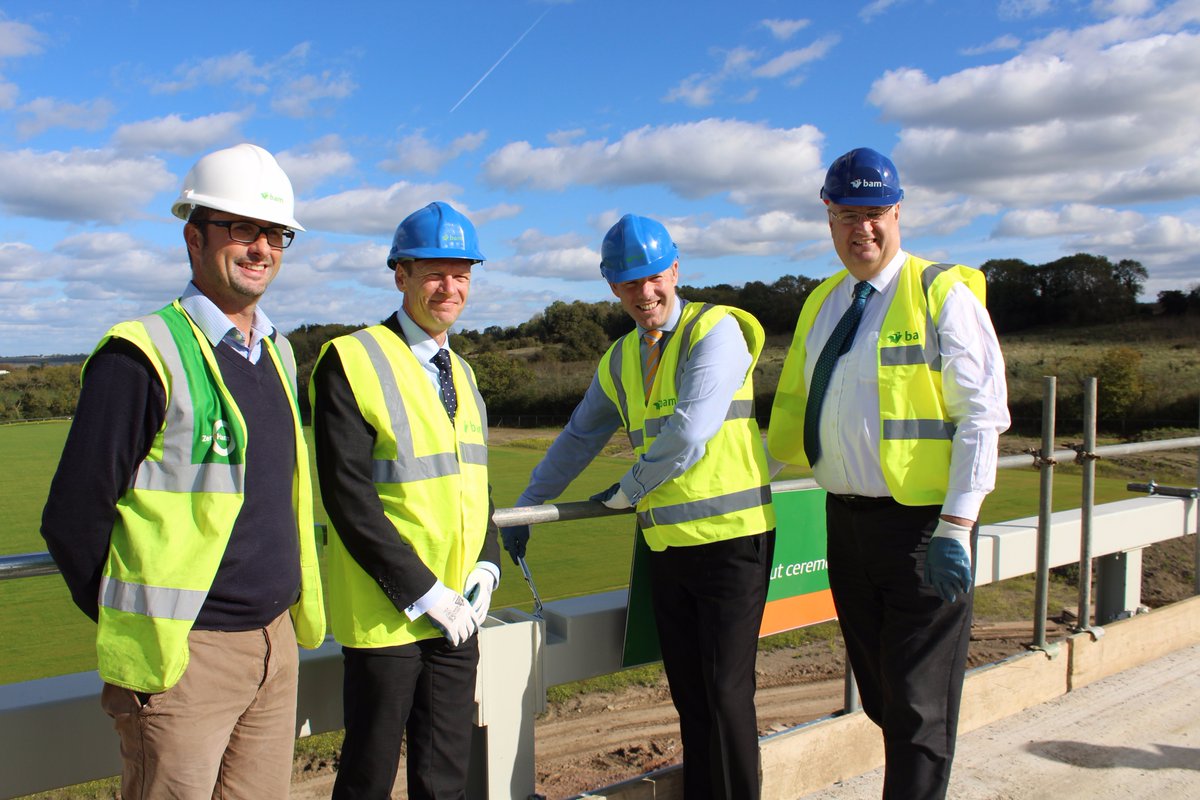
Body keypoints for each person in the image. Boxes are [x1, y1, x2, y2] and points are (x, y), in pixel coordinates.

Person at [39, 143, 326, 799]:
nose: (262, 248)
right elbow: (73, 520)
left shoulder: (277, 352)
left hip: (275, 647)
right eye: (242, 229)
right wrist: (144, 626)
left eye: (275, 234)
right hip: (187, 662)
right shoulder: (139, 355)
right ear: (193, 236)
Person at [502, 214, 776, 799]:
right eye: (630, 283)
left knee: (727, 695)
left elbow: (690, 432)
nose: (645, 293)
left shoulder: (715, 330)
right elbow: (579, 437)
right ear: (612, 286)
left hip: (733, 543)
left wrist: (627, 490)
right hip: (667, 547)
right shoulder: (622, 357)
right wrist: (529, 504)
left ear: (675, 269)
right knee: (692, 697)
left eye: (654, 277)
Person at [768, 147, 1010, 800]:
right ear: (829, 216)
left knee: (916, 705)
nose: (862, 228)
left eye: (875, 213)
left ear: (898, 211)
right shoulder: (822, 303)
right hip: (843, 526)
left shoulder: (941, 296)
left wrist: (957, 525)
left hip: (922, 533)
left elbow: (983, 418)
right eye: (848, 214)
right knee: (881, 693)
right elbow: (793, 407)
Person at [310, 201, 501, 799]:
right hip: (387, 615)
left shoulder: (463, 372)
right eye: (435, 274)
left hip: (457, 615)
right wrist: (425, 592)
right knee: (368, 775)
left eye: (462, 274)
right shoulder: (349, 359)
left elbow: (475, 483)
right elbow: (347, 497)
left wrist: (488, 564)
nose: (451, 288)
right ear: (401, 276)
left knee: (445, 774)